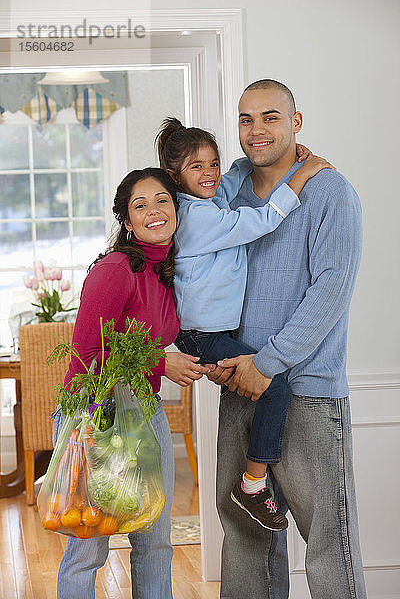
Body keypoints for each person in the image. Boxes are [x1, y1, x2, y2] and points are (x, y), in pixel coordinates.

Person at [206, 79, 366, 599]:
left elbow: (331, 292)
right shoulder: (226, 196)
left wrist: (268, 363)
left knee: (327, 543)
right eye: (246, 119)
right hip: (239, 387)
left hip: (307, 390)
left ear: (296, 123)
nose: (256, 130)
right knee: (246, 537)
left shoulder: (330, 192)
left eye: (270, 117)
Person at [156, 117, 334, 531]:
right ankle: (252, 485)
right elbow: (259, 222)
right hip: (202, 335)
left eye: (213, 163)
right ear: (173, 176)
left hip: (215, 333)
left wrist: (257, 161)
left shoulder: (210, 199)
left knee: (265, 387)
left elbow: (235, 176)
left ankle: (254, 481)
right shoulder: (195, 218)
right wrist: (303, 173)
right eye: (197, 167)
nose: (210, 173)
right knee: (276, 388)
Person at [52, 168, 209, 599]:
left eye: (162, 200)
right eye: (140, 205)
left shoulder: (169, 272)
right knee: (88, 549)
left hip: (145, 412)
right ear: (126, 221)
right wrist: (161, 363)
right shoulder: (115, 270)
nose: (154, 211)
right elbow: (88, 352)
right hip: (93, 416)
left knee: (155, 541)